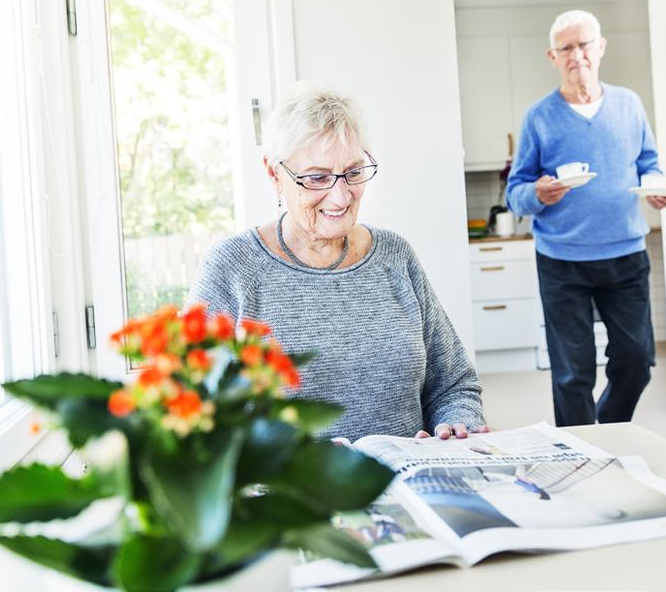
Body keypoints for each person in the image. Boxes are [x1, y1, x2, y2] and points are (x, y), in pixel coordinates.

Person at [188, 82, 486, 441]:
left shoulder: (396, 256)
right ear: (274, 174)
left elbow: (454, 385)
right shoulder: (233, 268)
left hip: (411, 488)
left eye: (354, 172)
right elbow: (188, 408)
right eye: (317, 177)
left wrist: (457, 423)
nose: (341, 196)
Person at [506, 10, 666, 427]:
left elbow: (648, 163)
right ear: (553, 56)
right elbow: (516, 194)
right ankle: (580, 457)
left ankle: (603, 433)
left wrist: (657, 187)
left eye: (584, 44)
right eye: (566, 48)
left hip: (625, 254)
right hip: (562, 260)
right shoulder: (539, 117)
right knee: (571, 374)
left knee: (637, 362)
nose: (577, 54)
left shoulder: (629, 104)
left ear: (600, 48)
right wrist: (538, 193)